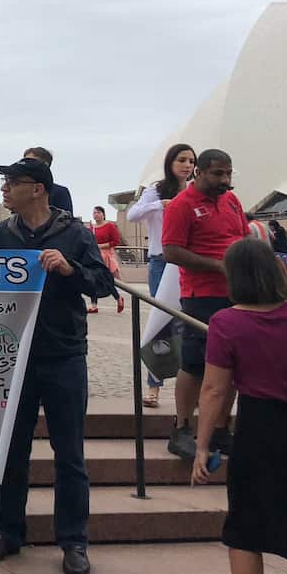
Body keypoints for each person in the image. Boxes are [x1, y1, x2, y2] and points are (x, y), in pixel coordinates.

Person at [0, 157, 114, 574]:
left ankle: (74, 540)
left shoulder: (74, 232)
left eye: (12, 183)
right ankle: (8, 530)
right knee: (12, 450)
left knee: (69, 454)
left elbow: (103, 284)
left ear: (37, 188)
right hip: (14, 359)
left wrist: (70, 268)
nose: (4, 190)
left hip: (63, 355)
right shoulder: (1, 235)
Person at [191, 238, 287, 574]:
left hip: (260, 431)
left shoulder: (227, 322)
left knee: (245, 531)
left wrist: (202, 445)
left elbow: (215, 390)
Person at [161, 148, 248, 461]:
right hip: (202, 295)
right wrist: (218, 265)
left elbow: (242, 237)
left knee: (234, 363)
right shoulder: (181, 206)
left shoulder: (231, 200)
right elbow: (171, 251)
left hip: (238, 292)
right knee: (195, 363)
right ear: (199, 172)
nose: (225, 180)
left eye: (228, 173)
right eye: (217, 174)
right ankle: (182, 428)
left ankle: (221, 429)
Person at [127, 143, 196, 408]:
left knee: (190, 323)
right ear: (170, 162)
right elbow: (133, 214)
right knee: (161, 323)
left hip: (190, 261)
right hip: (161, 260)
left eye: (191, 161)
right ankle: (153, 385)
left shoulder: (194, 192)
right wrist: (159, 205)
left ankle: (190, 386)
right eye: (182, 160)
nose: (187, 165)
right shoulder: (156, 190)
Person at [87, 206, 125, 314]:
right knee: (93, 280)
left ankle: (118, 298)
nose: (96, 215)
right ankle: (94, 305)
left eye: (98, 212)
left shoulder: (110, 226)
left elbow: (115, 241)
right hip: (95, 256)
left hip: (106, 256)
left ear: (103, 214)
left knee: (107, 280)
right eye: (94, 213)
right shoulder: (91, 228)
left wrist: (100, 246)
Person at [23, 147, 73, 214]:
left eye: (30, 162)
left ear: (45, 165)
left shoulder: (60, 192)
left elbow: (66, 220)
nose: (25, 165)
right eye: (24, 162)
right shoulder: (18, 190)